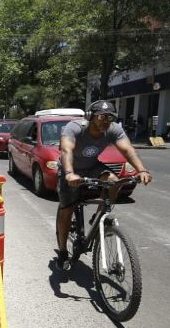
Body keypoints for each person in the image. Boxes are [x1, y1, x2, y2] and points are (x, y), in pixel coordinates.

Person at [55, 100, 153, 271]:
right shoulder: (75, 127)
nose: (105, 121)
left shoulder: (113, 129)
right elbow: (66, 150)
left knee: (114, 182)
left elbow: (128, 150)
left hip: (92, 166)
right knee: (67, 209)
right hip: (70, 169)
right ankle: (63, 250)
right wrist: (70, 173)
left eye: (110, 117)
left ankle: (99, 216)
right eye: (101, 117)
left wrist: (142, 170)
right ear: (90, 116)